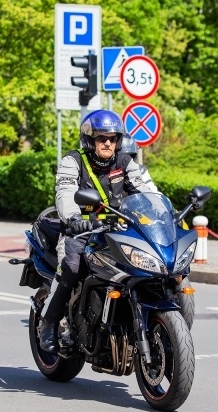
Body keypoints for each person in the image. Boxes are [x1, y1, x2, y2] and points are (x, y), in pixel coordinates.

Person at [39, 110, 151, 353]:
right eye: (102, 138)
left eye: (112, 138)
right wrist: (73, 218)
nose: (108, 143)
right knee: (71, 266)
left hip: (118, 231)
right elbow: (65, 193)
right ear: (89, 140)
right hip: (81, 232)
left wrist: (160, 213)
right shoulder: (73, 161)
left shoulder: (125, 162)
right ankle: (49, 321)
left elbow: (145, 192)